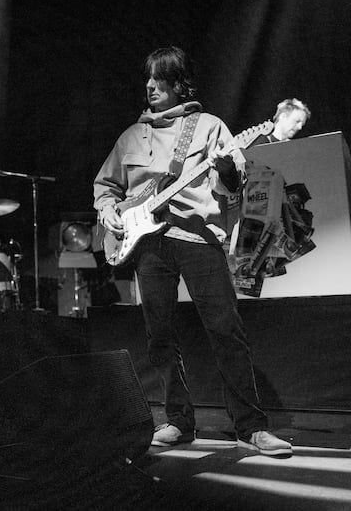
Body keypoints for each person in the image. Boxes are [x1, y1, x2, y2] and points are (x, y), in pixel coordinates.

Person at [93, 46, 292, 457]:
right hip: (147, 244)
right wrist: (109, 210)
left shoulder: (209, 127)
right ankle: (179, 422)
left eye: (160, 79)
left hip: (198, 240)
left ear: (179, 84)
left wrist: (224, 168)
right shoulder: (132, 135)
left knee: (226, 330)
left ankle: (251, 427)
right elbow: (106, 187)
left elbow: (234, 187)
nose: (150, 86)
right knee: (159, 337)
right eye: (148, 79)